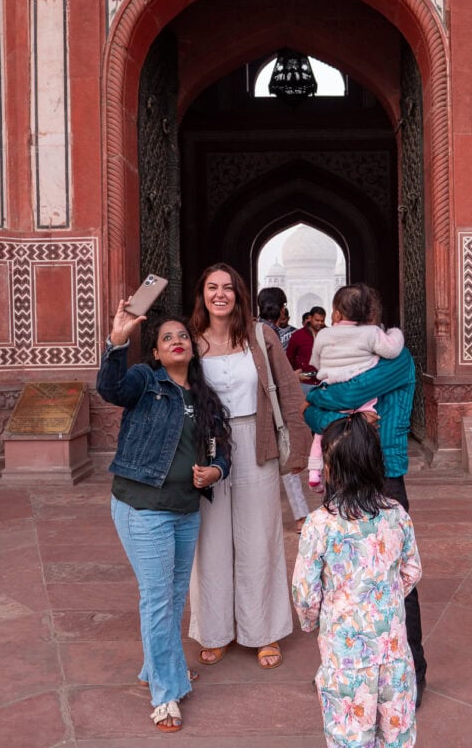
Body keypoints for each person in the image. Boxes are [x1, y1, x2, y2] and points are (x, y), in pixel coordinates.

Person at [97, 303, 232, 733]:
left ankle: (156, 667)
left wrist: (217, 471)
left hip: (184, 509)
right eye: (167, 338)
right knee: (157, 598)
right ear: (155, 352)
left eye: (183, 337)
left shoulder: (205, 397)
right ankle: (165, 694)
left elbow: (222, 451)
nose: (178, 341)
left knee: (173, 598)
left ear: (194, 348)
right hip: (142, 506)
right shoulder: (144, 382)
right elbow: (110, 388)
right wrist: (117, 343)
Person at [302, 284, 428, 707]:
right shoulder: (366, 355)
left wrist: (322, 399)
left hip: (383, 475)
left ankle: (411, 677)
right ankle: (343, 666)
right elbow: (311, 412)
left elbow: (336, 396)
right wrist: (321, 403)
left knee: (394, 580)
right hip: (342, 474)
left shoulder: (397, 359)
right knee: (341, 576)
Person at [187, 263, 311, 670]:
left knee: (260, 537)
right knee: (211, 540)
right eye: (212, 287)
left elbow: (289, 393)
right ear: (202, 294)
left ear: (239, 294)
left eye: (227, 288)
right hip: (208, 449)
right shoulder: (190, 340)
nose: (220, 294)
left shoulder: (261, 336)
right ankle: (214, 629)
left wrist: (297, 453)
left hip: (255, 443)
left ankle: (264, 631)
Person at [292, 414, 422, 748]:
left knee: (349, 735)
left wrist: (316, 621)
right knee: (396, 735)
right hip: (394, 650)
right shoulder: (396, 513)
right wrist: (384, 599)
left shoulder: (320, 524)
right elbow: (411, 571)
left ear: (332, 468)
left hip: (345, 653)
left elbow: (305, 593)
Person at [305, 284, 405, 488]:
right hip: (343, 463)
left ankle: (314, 471)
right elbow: (317, 415)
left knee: (320, 435)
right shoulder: (374, 342)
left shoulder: (399, 360)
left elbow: (346, 396)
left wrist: (313, 398)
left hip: (382, 466)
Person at [258, 287, 311, 533]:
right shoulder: (276, 334)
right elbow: (279, 374)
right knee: (286, 458)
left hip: (252, 406)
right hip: (274, 406)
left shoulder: (245, 331)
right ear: (282, 309)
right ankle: (300, 517)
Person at [286, 305, 327, 388]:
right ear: (310, 318)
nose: (320, 323)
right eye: (317, 320)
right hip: (304, 382)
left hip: (324, 383)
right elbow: (289, 359)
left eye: (322, 320)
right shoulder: (298, 335)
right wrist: (295, 376)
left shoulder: (328, 334)